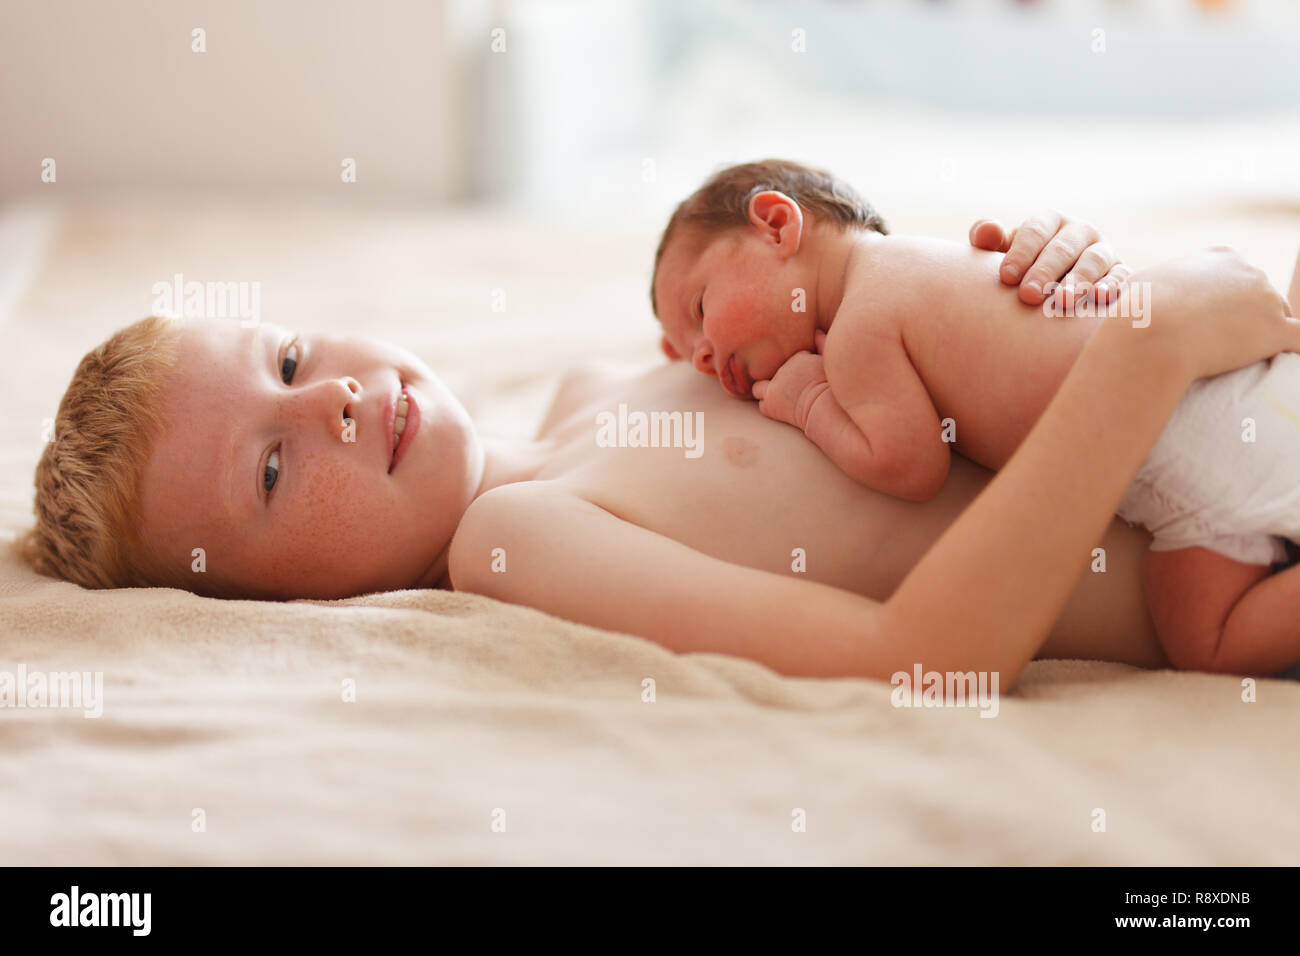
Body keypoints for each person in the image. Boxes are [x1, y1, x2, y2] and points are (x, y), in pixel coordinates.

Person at [18, 216, 1297, 691]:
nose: (335, 406)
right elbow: (924, 659)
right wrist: (1141, 351)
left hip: (1222, 398)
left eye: (291, 361)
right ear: (277, 604)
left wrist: (1046, 273)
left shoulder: (608, 379)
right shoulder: (515, 536)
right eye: (271, 471)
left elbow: (876, 306)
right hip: (1240, 543)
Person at [652, 159, 1300, 675]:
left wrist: (810, 403)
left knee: (1206, 643)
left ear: (775, 226)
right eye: (688, 357)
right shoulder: (929, 265)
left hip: (1200, 423)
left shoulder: (860, 323)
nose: (704, 357)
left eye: (701, 310)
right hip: (1232, 411)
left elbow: (910, 464)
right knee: (1197, 633)